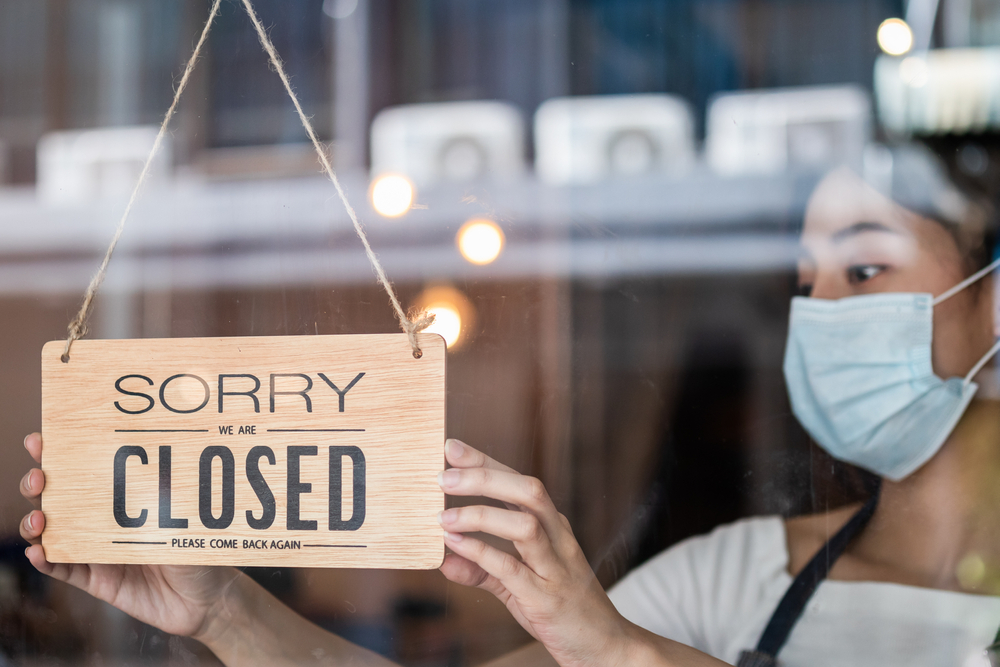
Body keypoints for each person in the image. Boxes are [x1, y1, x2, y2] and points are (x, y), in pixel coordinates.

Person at [18, 142, 1000, 667]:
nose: (819, 315)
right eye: (804, 281)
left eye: (863, 267)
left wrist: (611, 647)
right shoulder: (724, 581)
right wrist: (225, 612)